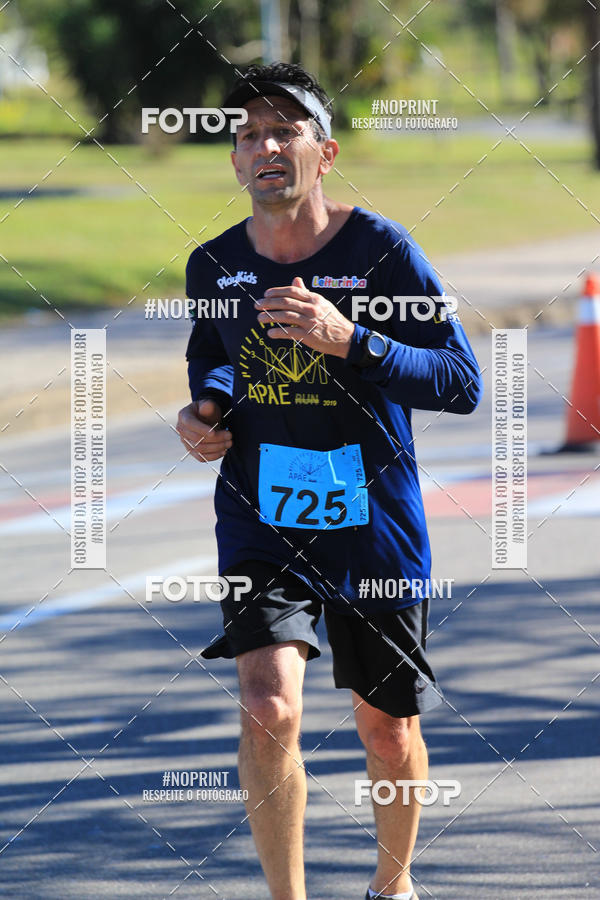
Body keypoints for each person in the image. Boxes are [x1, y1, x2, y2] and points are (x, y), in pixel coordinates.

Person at [176, 61, 482, 900]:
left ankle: (393, 886)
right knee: (268, 707)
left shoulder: (380, 251)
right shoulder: (213, 265)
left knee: (387, 730)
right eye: (248, 135)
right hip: (261, 517)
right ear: (235, 162)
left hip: (372, 525)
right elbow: (216, 361)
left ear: (326, 151)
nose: (265, 145)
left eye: (285, 130)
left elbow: (462, 383)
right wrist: (202, 412)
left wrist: (352, 341)